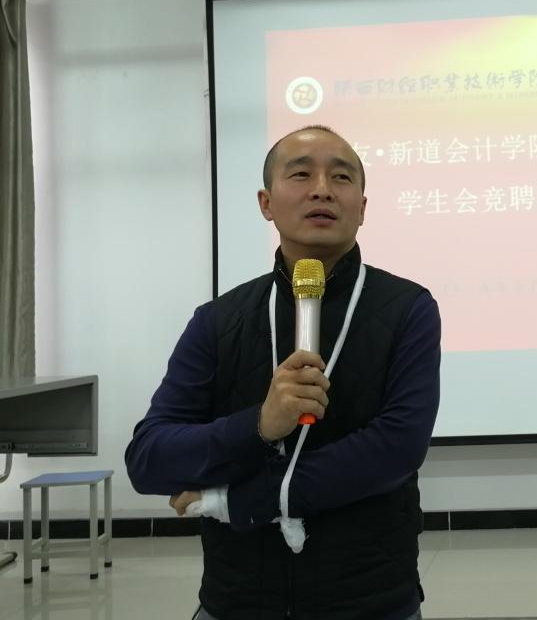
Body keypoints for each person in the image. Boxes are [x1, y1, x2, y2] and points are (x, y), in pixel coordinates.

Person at [125, 125, 441, 620]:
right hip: (237, 601)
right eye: (301, 174)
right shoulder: (218, 321)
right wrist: (258, 425)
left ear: (362, 207)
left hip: (371, 599)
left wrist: (238, 501)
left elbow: (397, 448)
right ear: (266, 203)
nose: (322, 189)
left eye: (341, 177)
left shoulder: (407, 309)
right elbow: (149, 459)